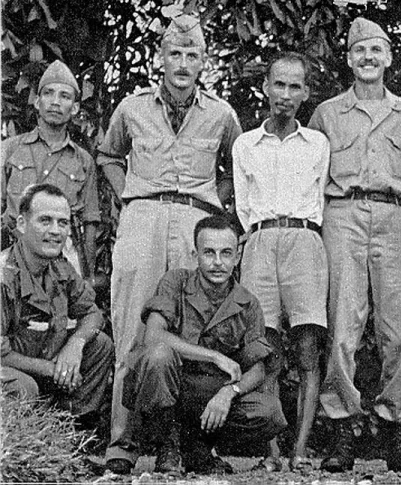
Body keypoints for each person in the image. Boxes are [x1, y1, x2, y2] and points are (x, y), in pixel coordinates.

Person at [97, 14, 242, 474]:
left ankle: (177, 443)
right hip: (142, 218)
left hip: (194, 223)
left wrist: (216, 207)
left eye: (192, 54)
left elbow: (240, 164)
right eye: (174, 53)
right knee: (131, 329)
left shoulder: (220, 113)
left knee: (189, 329)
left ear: (204, 61)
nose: (182, 63)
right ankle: (121, 442)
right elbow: (107, 154)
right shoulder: (132, 107)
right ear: (161, 57)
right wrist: (129, 196)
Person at [307, 17, 401, 473]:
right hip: (342, 214)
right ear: (348, 59)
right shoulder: (327, 114)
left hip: (396, 215)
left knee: (396, 325)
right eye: (359, 51)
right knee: (344, 323)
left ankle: (399, 426)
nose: (368, 59)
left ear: (389, 57)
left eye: (376, 50)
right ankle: (343, 424)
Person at [122, 215, 286, 475]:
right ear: (195, 254)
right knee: (159, 356)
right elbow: (153, 336)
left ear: (237, 256)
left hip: (209, 397)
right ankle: (168, 445)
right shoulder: (175, 282)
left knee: (269, 412)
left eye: (226, 253)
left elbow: (258, 369)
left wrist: (228, 392)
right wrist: (214, 357)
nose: (218, 262)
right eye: (209, 252)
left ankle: (197, 449)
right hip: (167, 390)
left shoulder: (248, 303)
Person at [232, 51, 330, 471]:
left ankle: (300, 450)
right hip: (259, 240)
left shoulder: (317, 144)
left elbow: (322, 196)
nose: (285, 95)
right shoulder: (245, 144)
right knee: (264, 349)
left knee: (308, 347)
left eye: (295, 87)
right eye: (279, 85)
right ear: (266, 87)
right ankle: (270, 450)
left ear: (306, 93)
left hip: (305, 240)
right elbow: (242, 204)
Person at [1, 184, 113, 432]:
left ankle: (71, 437)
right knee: (23, 387)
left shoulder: (60, 268)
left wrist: (76, 345)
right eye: (45, 221)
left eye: (62, 223)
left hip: (42, 365)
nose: (55, 231)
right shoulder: (4, 278)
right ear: (21, 223)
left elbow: (93, 313)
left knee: (100, 345)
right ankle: (22, 443)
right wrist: (52, 369)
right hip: (13, 372)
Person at [2, 61, 99, 277]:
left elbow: (89, 221)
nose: (55, 102)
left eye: (65, 96)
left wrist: (87, 276)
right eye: (49, 93)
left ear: (74, 108)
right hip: (13, 250)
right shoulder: (10, 150)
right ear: (37, 101)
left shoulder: (83, 160)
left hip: (62, 255)